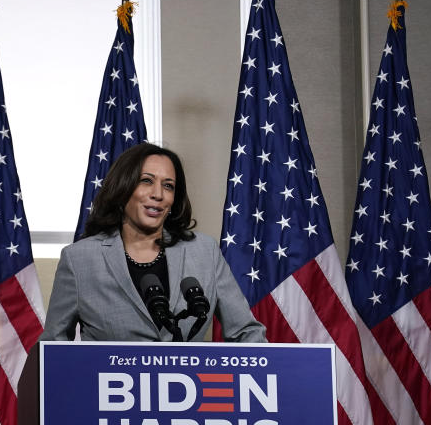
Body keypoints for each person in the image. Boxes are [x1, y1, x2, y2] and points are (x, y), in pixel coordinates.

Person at [41, 142, 266, 343]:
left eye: (168, 186)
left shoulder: (205, 251)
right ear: (123, 188)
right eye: (146, 181)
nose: (158, 194)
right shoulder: (79, 259)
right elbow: (52, 346)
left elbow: (246, 332)